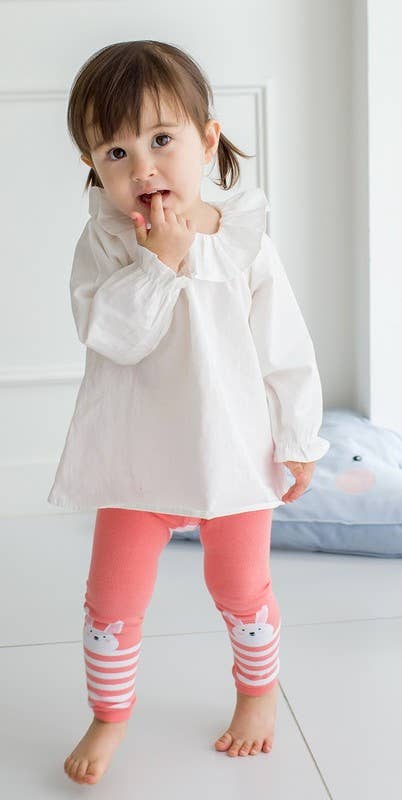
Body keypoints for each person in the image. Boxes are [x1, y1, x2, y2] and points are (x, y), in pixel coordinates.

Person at [49, 40, 330, 785]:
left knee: (239, 588)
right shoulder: (108, 243)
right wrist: (160, 262)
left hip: (232, 449)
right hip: (139, 455)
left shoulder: (241, 239)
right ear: (94, 169)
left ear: (207, 139)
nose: (141, 167)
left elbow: (285, 346)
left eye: (161, 140)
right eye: (114, 152)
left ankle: (257, 693)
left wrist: (298, 436)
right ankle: (109, 716)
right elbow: (111, 335)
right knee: (111, 601)